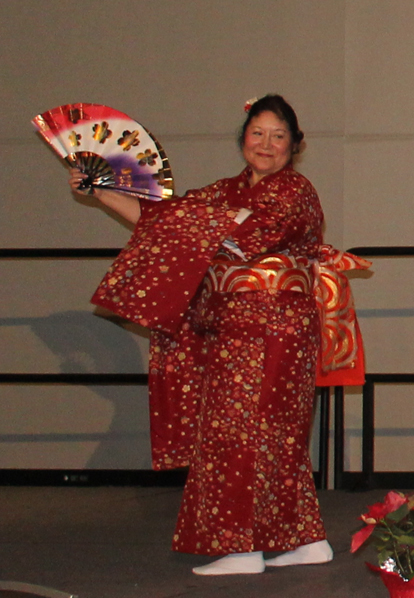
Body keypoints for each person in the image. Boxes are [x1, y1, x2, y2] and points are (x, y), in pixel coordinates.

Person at [68, 94, 370, 576]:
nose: (266, 144)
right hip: (236, 325)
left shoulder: (294, 191)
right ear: (242, 139)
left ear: (296, 146)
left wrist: (194, 222)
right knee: (268, 435)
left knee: (244, 431)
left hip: (273, 324)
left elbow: (228, 234)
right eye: (257, 134)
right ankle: (305, 539)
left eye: (278, 137)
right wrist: (102, 189)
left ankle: (243, 546)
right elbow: (165, 222)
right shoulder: (226, 191)